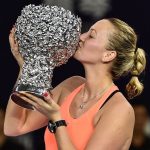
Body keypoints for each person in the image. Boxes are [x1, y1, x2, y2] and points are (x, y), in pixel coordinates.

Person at [4, 18, 146, 150]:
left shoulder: (119, 110)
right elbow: (14, 126)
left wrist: (57, 119)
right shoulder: (71, 86)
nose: (81, 37)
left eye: (91, 35)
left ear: (108, 55)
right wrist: (26, 68)